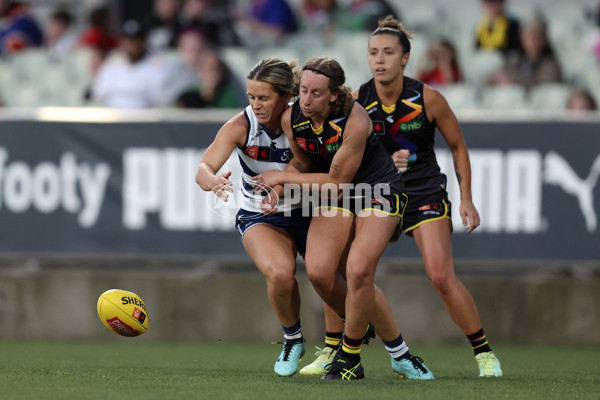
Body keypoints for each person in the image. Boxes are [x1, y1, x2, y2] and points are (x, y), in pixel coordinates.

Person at [302, 16, 503, 378]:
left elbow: (458, 147)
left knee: (441, 276)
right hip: (371, 192)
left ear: (406, 58)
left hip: (421, 190)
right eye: (373, 52)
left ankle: (484, 353)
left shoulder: (428, 98)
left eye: (389, 52)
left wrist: (467, 198)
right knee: (340, 269)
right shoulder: (357, 99)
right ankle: (335, 350)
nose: (380, 59)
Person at [252, 56, 434, 381]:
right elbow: (303, 163)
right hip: (338, 195)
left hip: (377, 189)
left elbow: (337, 182)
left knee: (358, 271)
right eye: (303, 91)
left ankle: (349, 358)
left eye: (316, 93)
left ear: (335, 95)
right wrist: (282, 186)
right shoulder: (292, 118)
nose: (306, 100)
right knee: (320, 272)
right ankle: (396, 349)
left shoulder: (355, 120)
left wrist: (280, 179)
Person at [195, 57, 311, 377]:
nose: (256, 105)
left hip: (311, 208)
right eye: (251, 96)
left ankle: (343, 347)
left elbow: (313, 163)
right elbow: (204, 169)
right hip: (260, 212)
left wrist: (283, 184)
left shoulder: (304, 119)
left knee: (328, 276)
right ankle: (293, 339)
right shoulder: (239, 127)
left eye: (264, 98)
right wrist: (213, 181)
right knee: (279, 274)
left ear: (286, 96)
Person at [90, 20, 168, 108]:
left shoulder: (155, 66)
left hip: (142, 118)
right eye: (128, 40)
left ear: (143, 41)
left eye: (135, 40)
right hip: (113, 117)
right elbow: (98, 95)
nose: (131, 45)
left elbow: (159, 100)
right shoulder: (111, 64)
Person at [486, 15, 562, 90]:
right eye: (529, 36)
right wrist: (496, 79)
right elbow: (497, 75)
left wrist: (513, 80)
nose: (533, 41)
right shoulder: (514, 59)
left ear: (545, 40)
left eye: (538, 36)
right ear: (522, 38)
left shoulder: (550, 63)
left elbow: (542, 87)